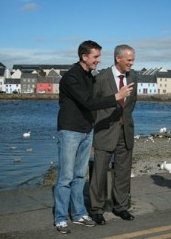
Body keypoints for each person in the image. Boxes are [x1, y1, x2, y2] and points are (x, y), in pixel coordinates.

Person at [54, 40, 134, 234]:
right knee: (66, 177)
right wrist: (117, 96)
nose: (98, 60)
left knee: (80, 175)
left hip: (86, 130)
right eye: (95, 57)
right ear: (84, 57)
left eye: (99, 56)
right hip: (70, 131)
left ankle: (80, 213)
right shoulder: (70, 77)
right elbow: (89, 102)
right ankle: (61, 218)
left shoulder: (90, 76)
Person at [89, 44, 137, 225]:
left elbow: (132, 104)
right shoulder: (101, 78)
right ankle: (96, 209)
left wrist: (125, 123)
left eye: (133, 59)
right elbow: (93, 105)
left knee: (123, 173)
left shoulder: (134, 77)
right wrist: (100, 124)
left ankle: (121, 207)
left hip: (126, 132)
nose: (132, 63)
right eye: (129, 59)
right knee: (99, 173)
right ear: (118, 58)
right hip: (105, 132)